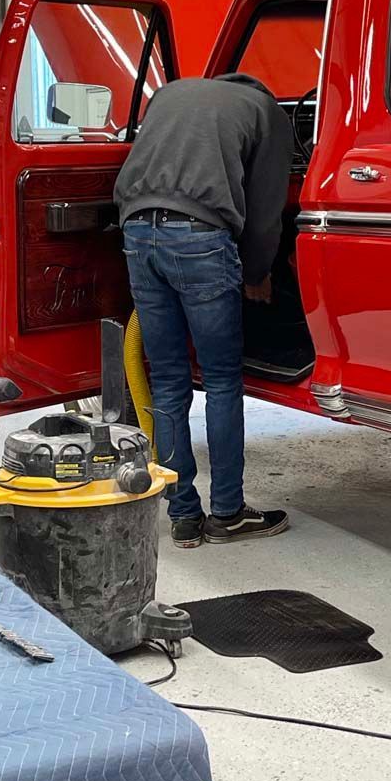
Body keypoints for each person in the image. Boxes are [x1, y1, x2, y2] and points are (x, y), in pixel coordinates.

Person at [114, 73, 294, 548]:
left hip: (135, 232)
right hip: (199, 237)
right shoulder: (268, 114)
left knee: (170, 379)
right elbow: (266, 206)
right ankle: (228, 514)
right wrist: (257, 272)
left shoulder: (171, 93)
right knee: (220, 379)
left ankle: (183, 515)